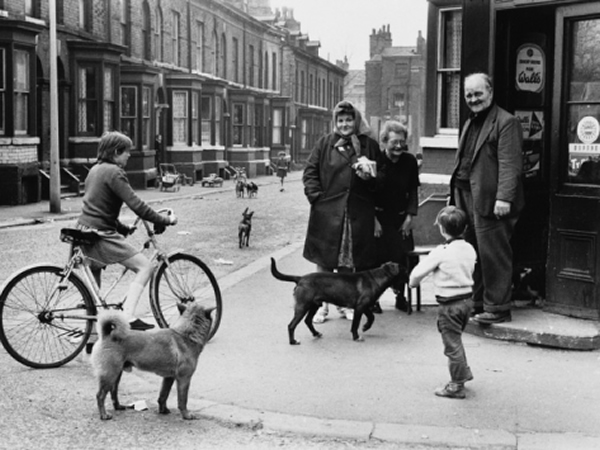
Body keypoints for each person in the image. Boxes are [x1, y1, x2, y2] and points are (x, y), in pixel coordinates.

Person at [77, 131, 177, 331]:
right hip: (100, 235)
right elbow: (137, 205)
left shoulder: (94, 170)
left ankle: (91, 333)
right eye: (126, 152)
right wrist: (165, 219)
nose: (129, 155)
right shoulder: (115, 172)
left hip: (83, 231)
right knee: (145, 267)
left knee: (95, 286)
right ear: (116, 152)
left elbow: (99, 205)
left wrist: (123, 228)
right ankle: (128, 317)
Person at [450, 72, 524, 325]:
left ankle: (498, 307)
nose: (473, 99)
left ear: (490, 93)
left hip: (491, 199)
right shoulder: (471, 121)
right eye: (468, 95)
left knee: (494, 253)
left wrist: (504, 198)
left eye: (478, 93)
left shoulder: (507, 122)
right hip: (464, 194)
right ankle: (478, 302)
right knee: (472, 253)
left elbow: (510, 165)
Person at [303, 100, 381, 323]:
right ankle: (321, 306)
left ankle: (345, 305)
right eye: (341, 120)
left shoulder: (368, 145)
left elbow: (382, 178)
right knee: (325, 262)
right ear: (335, 122)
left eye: (349, 120)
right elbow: (310, 173)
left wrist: (371, 177)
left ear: (356, 121)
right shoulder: (325, 144)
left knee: (348, 260)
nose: (345, 124)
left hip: (356, 213)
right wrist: (317, 198)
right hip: (328, 213)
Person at [409, 206, 476, 399]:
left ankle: (456, 385)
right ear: (464, 228)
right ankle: (463, 373)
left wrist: (413, 284)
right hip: (466, 301)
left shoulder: (441, 252)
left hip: (449, 305)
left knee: (451, 345)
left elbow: (416, 274)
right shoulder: (469, 248)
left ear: (441, 229)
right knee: (457, 340)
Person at [374, 121, 420, 313]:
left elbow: (413, 191)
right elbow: (367, 193)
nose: (399, 146)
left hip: (400, 219)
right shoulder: (376, 160)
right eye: (394, 142)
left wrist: (410, 217)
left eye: (402, 142)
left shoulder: (409, 162)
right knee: (376, 259)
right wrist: (373, 220)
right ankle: (373, 298)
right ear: (385, 141)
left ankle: (400, 296)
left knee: (403, 259)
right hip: (379, 219)